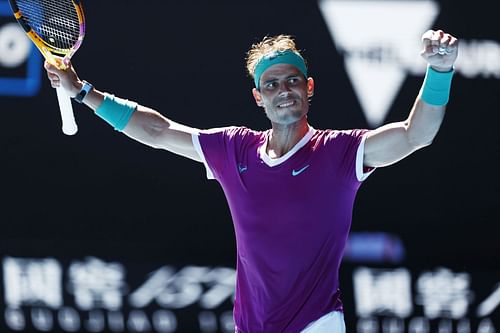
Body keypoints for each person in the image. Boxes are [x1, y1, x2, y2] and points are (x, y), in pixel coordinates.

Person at [44, 29, 458, 333]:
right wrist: (82, 91)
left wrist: (439, 72)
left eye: (292, 80)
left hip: (316, 326)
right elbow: (157, 130)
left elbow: (414, 135)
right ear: (258, 96)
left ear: (309, 87)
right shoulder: (234, 149)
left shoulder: (340, 152)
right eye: (271, 84)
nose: (284, 90)